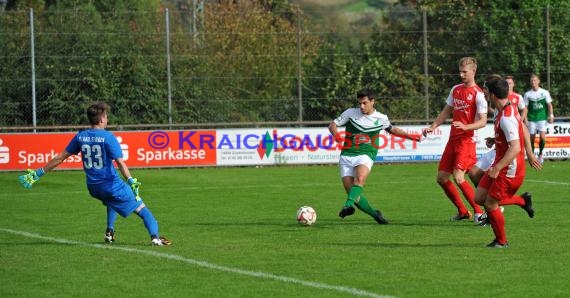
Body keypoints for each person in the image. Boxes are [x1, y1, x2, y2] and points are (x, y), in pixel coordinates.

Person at [18, 102, 171, 246]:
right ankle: (156, 238)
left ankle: (109, 232)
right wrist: (131, 180)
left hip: (93, 187)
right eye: (106, 116)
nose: (107, 118)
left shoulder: (80, 136)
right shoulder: (108, 137)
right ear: (102, 119)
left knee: (111, 201)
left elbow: (60, 158)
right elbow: (120, 163)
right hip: (111, 185)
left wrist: (39, 172)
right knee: (143, 210)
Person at [329, 88, 421, 224]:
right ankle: (375, 214)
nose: (361, 106)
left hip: (366, 154)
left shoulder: (381, 118)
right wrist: (337, 136)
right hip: (347, 155)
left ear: (373, 102)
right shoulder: (350, 113)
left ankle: (347, 206)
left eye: (364, 103)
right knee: (354, 194)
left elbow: (393, 130)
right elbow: (332, 125)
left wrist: (411, 137)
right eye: (359, 103)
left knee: (359, 179)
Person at [422, 57, 487, 223]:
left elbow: (483, 121)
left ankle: (480, 213)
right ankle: (463, 211)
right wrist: (433, 126)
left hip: (467, 140)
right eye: (460, 71)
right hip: (453, 140)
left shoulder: (478, 95)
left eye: (465, 72)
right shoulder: (456, 89)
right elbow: (446, 111)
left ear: (474, 71)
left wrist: (466, 127)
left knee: (459, 177)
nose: (461, 75)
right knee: (442, 178)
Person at [474, 78, 534, 248]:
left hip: (508, 169)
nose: (484, 93)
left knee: (490, 203)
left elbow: (515, 148)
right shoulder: (506, 109)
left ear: (492, 95)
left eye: (486, 90)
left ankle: (501, 241)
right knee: (479, 198)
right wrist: (496, 139)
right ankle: (522, 201)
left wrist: (497, 168)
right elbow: (518, 130)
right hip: (500, 164)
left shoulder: (506, 117)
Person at [523, 74, 554, 164]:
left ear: (538, 81)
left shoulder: (545, 92)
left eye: (535, 80)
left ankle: (540, 155)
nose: (533, 82)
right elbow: (525, 108)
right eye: (532, 81)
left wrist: (551, 115)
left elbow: (549, 105)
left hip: (542, 118)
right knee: (531, 138)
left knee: (542, 137)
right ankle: (532, 155)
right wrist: (525, 119)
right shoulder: (527, 94)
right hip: (532, 119)